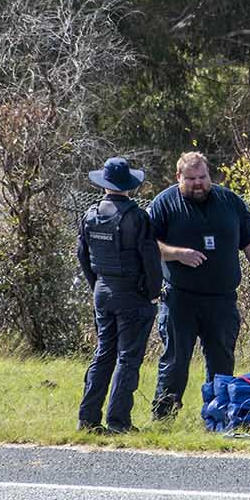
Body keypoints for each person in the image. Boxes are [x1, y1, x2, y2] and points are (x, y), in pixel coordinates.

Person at [148, 151, 250, 421]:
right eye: (191, 178)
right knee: (176, 361)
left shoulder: (230, 201)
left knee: (221, 361)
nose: (198, 183)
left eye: (202, 177)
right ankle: (164, 417)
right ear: (178, 177)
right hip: (180, 298)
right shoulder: (164, 204)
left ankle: (218, 415)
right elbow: (148, 244)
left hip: (222, 299)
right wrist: (177, 253)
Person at [75, 157, 162, 434]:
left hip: (103, 290)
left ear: (104, 184)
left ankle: (87, 419)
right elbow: (150, 260)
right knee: (128, 358)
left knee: (103, 354)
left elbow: (82, 256)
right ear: (128, 185)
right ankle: (118, 421)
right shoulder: (137, 217)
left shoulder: (89, 215)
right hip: (132, 294)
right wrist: (152, 294)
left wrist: (97, 285)